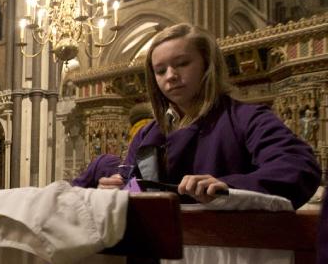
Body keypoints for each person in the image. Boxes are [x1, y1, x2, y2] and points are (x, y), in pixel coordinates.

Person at [72, 23, 320, 209]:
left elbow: (299, 167)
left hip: (229, 253)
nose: (170, 75)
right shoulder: (150, 134)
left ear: (207, 64)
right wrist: (120, 185)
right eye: (160, 70)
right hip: (162, 256)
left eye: (181, 63)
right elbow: (138, 184)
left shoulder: (245, 118)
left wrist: (228, 187)